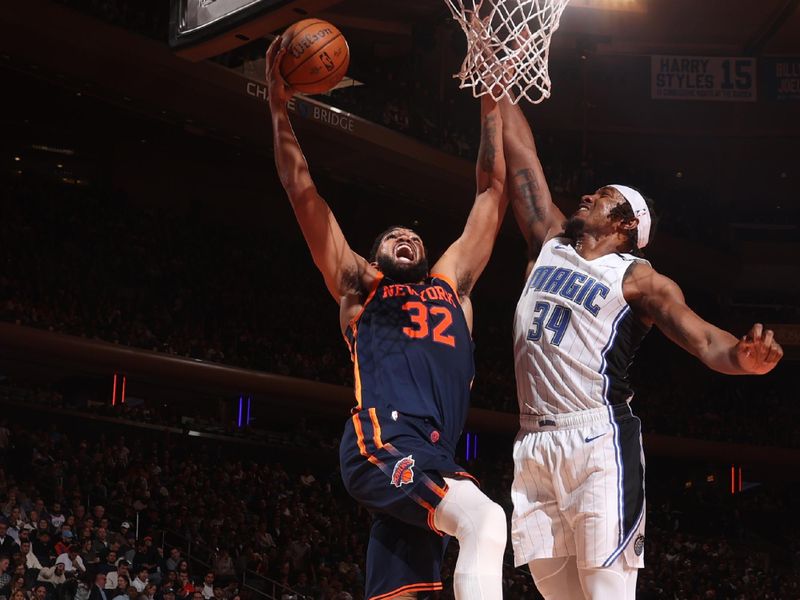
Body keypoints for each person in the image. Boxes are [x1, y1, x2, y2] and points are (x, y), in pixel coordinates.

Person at [498, 98, 784, 599]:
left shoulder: (639, 279)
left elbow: (705, 340)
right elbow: (522, 154)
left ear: (627, 224)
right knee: (556, 595)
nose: (588, 195)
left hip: (596, 440)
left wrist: (744, 361)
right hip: (533, 441)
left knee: (606, 592)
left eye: (604, 196)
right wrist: (495, 84)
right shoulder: (550, 241)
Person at [266, 37, 508, 600]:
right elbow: (301, 190)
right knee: (485, 521)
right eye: (391, 236)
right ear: (373, 257)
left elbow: (493, 192)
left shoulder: (452, 286)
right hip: (383, 437)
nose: (405, 235)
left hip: (431, 453)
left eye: (413, 234)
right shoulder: (359, 287)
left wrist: (492, 96)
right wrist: (278, 104)